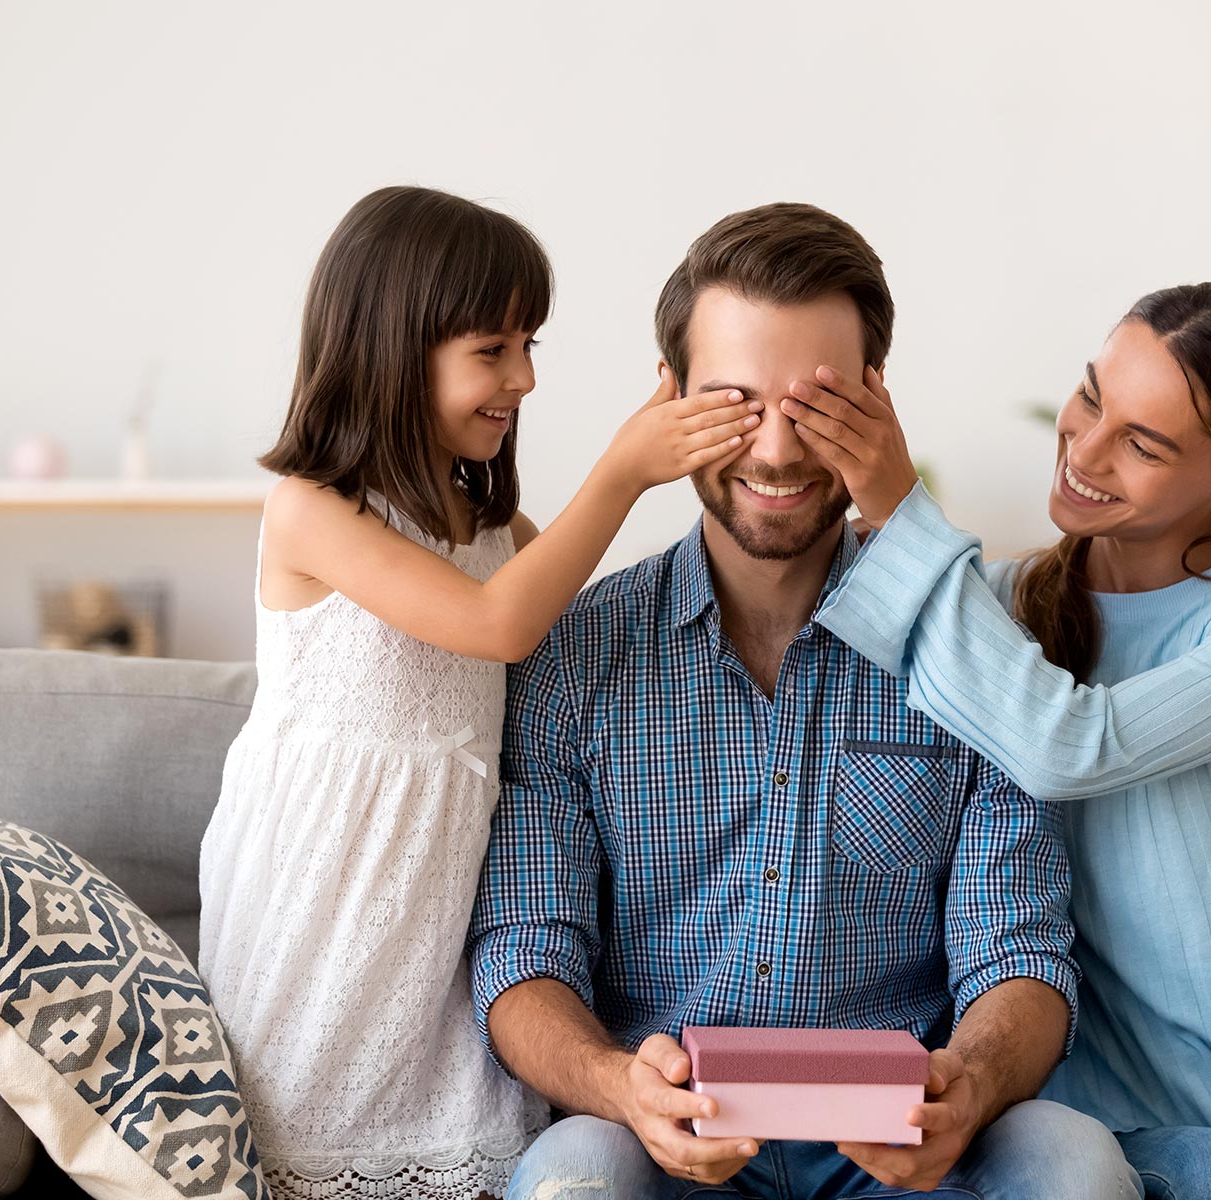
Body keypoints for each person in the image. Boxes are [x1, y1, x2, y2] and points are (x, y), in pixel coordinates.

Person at [471, 202, 1141, 1200]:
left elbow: (1022, 951)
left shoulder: (971, 658)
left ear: (877, 396)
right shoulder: (575, 655)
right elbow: (525, 947)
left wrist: (973, 1080)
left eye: (817, 406)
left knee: (1076, 1165)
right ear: (669, 398)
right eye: (736, 403)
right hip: (666, 1146)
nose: (778, 453)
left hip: (910, 1153)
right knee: (573, 1175)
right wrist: (617, 1084)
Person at [782, 281, 1211, 1199]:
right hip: (1118, 1110)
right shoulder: (1000, 607)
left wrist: (900, 504)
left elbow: (1068, 748)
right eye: (1092, 396)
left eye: (1142, 443)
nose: (1085, 448)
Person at [196, 185, 761, 1199]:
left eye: (529, 345)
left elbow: (579, 632)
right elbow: (500, 624)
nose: (525, 379)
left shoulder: (494, 533)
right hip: (326, 913)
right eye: (492, 351)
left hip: (433, 934)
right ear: (392, 348)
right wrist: (624, 472)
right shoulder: (313, 514)